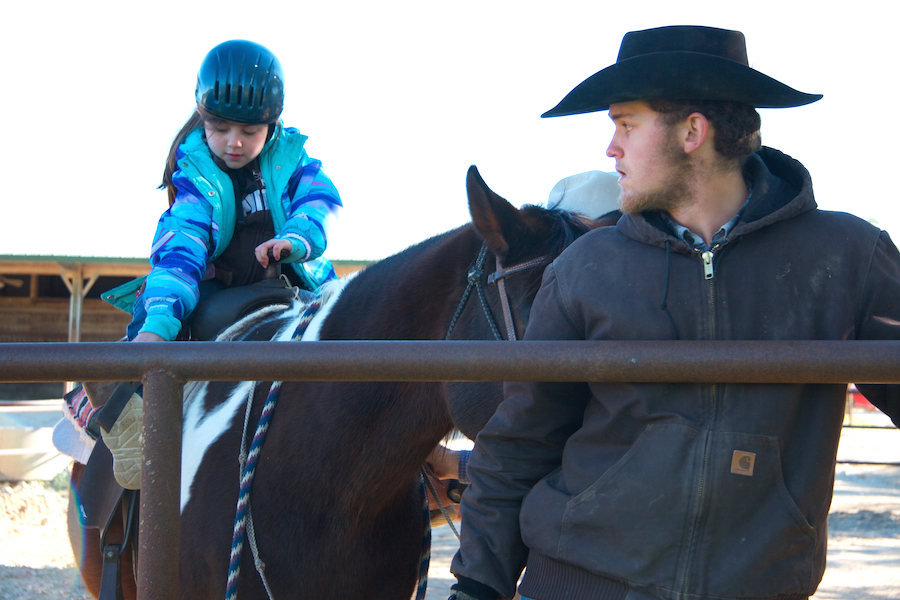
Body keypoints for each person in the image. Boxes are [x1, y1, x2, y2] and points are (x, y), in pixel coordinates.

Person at [448, 25, 900, 600]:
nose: (610, 148)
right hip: (575, 585)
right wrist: (477, 587)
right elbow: (520, 440)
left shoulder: (848, 257)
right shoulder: (586, 267)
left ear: (692, 132)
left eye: (626, 125)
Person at [76, 39, 342, 490]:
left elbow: (319, 201)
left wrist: (295, 239)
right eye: (220, 128)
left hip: (292, 280)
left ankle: (419, 463)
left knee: (356, 335)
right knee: (166, 320)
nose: (233, 143)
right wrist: (155, 329)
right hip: (214, 285)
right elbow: (182, 247)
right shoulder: (196, 174)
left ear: (272, 125)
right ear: (203, 118)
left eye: (249, 132)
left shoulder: (294, 158)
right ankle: (136, 419)